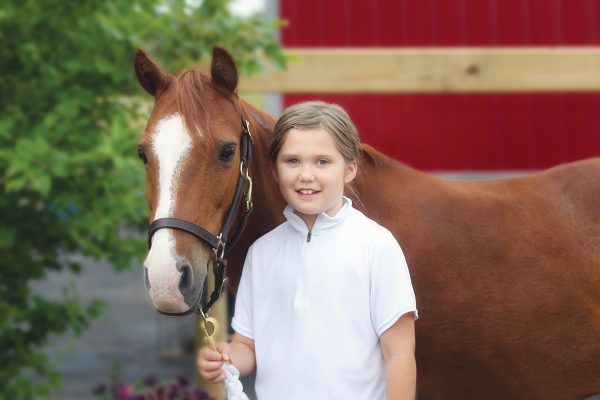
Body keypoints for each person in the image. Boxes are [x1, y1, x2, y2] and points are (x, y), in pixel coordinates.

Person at [198, 101, 418, 400]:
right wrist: (227, 358)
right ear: (274, 170)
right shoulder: (261, 253)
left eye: (322, 162)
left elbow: (399, 354)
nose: (306, 174)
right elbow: (248, 347)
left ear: (350, 169)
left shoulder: (376, 246)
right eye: (292, 161)